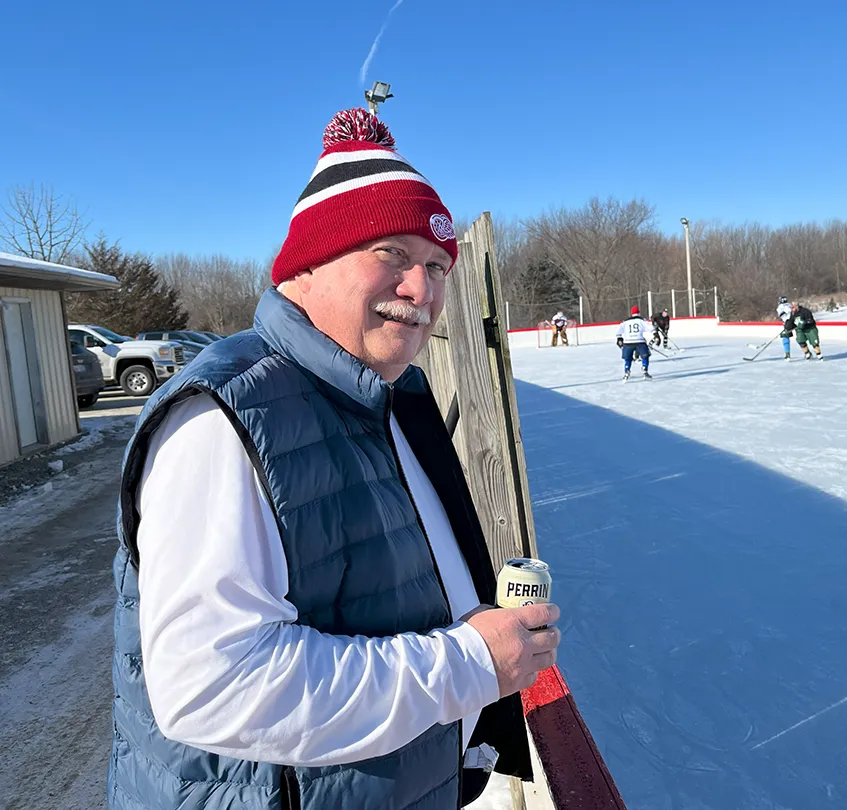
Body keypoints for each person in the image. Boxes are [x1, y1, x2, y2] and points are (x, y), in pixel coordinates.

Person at [107, 108, 560, 810]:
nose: (424, 290)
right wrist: (470, 663)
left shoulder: (387, 393)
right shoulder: (224, 418)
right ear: (308, 264)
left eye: (438, 265)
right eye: (391, 253)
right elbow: (213, 686)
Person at [616, 305, 653, 381]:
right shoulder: (641, 320)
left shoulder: (625, 322)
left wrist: (619, 338)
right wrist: (655, 334)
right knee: (645, 356)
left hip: (628, 343)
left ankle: (626, 371)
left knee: (628, 359)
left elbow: (618, 332)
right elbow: (651, 328)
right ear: (639, 312)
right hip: (640, 342)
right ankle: (644, 369)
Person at [776, 295, 793, 359]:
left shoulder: (781, 306)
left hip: (788, 323)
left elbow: (781, 315)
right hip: (794, 322)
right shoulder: (789, 305)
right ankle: (807, 352)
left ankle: (787, 354)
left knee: (785, 336)